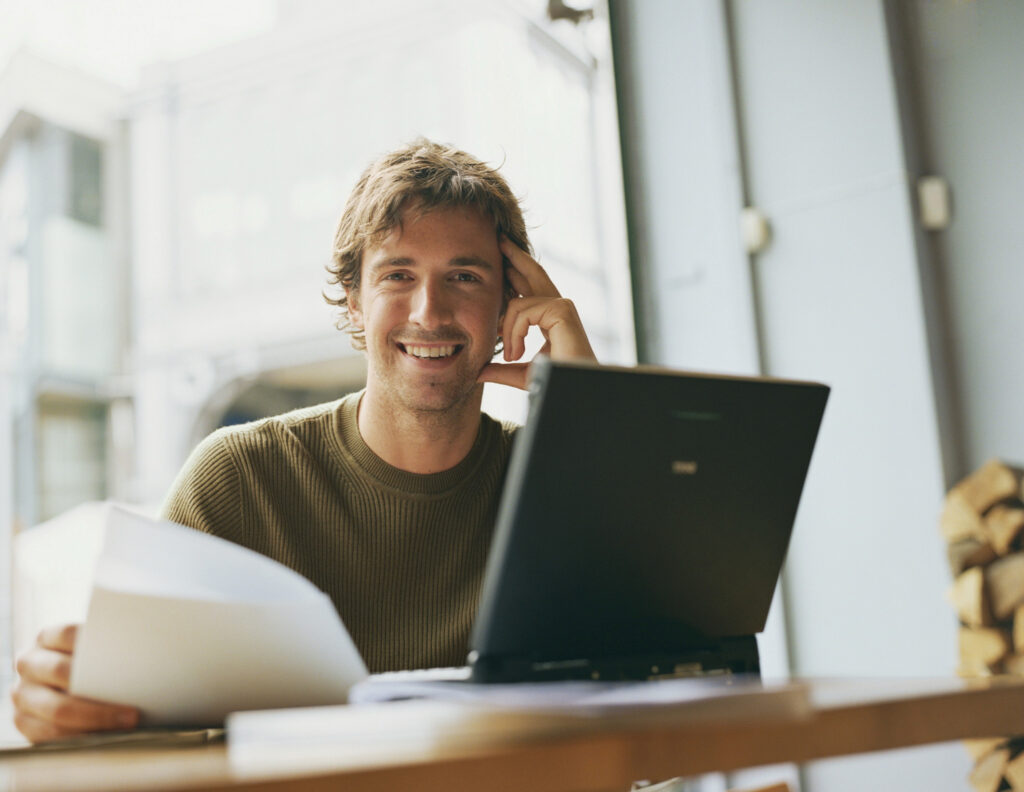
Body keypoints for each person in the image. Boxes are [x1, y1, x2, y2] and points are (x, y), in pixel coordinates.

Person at [9, 139, 597, 743]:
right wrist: (70, 707)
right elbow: (137, 726)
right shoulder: (240, 479)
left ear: (510, 303)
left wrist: (589, 408)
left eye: (465, 276)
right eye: (398, 274)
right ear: (354, 299)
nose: (430, 310)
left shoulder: (560, 482)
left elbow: (667, 676)